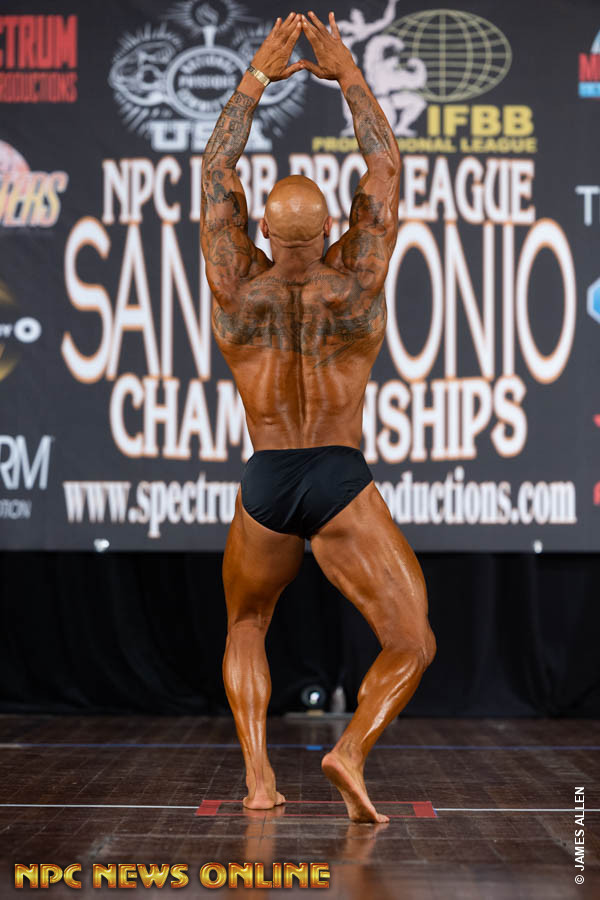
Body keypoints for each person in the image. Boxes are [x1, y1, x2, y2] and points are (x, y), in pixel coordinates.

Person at [200, 10, 436, 824]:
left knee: (246, 621)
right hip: (338, 477)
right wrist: (349, 75)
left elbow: (216, 169)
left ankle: (259, 780)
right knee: (411, 640)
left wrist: (256, 78)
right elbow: (385, 166)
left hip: (266, 480)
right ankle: (350, 750)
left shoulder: (235, 290)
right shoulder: (357, 285)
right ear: (334, 226)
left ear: (261, 228)